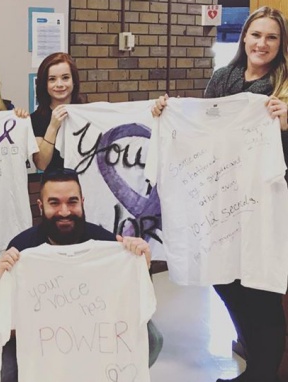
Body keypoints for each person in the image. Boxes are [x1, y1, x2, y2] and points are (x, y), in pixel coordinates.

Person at [152, 7, 288, 382]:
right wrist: (168, 113)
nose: (262, 43)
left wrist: (287, 125)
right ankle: (256, 364)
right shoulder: (222, 78)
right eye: (256, 34)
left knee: (260, 290)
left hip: (262, 204)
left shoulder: (283, 86)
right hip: (220, 201)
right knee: (225, 279)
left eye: (271, 37)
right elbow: (201, 129)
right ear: (244, 37)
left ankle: (262, 373)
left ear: (281, 44)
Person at [0, 167, 160, 382]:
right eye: (54, 203)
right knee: (6, 369)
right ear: (40, 205)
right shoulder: (22, 248)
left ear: (82, 201)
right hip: (42, 336)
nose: (64, 211)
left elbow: (130, 301)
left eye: (72, 202)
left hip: (95, 330)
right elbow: (7, 319)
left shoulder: (106, 243)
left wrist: (139, 263)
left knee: (153, 338)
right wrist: (1, 277)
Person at [30, 52, 85, 171]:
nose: (59, 84)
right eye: (52, 79)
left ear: (74, 81)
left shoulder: (86, 113)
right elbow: (41, 164)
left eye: (65, 78)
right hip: (53, 187)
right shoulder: (36, 119)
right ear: (44, 84)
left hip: (84, 186)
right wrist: (53, 127)